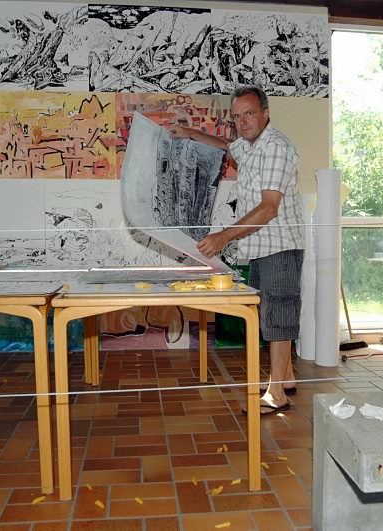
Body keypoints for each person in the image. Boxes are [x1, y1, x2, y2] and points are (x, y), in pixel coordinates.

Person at [170, 85, 304, 415]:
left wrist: (223, 237)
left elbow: (269, 208)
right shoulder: (249, 145)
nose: (243, 122)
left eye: (250, 114)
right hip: (260, 245)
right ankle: (285, 377)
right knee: (270, 311)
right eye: (237, 117)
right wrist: (190, 133)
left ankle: (276, 394)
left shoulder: (276, 148)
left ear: (265, 113)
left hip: (280, 245)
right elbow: (227, 146)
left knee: (278, 315)